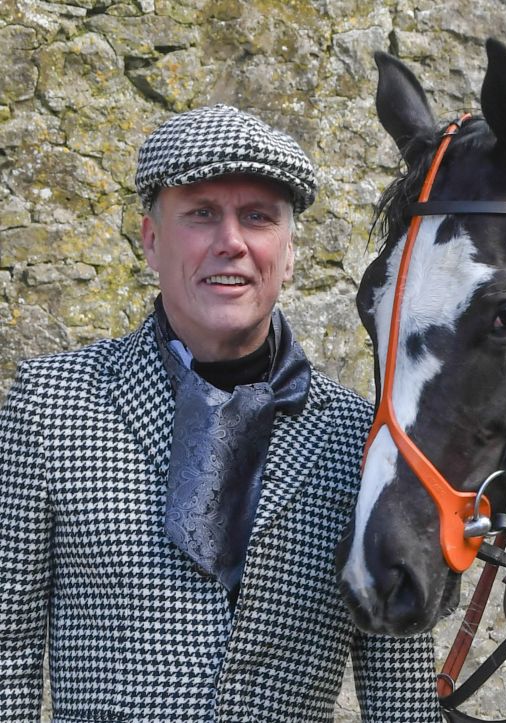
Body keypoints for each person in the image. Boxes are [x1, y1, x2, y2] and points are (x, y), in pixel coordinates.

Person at [0, 104, 441, 722]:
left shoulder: (364, 442)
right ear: (152, 241)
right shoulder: (53, 405)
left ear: (287, 255)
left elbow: (404, 697)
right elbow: (7, 648)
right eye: (202, 214)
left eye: (257, 218)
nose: (231, 242)